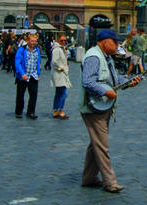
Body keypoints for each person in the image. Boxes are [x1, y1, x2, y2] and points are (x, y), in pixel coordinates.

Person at [79, 29, 140, 193]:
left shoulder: (106, 57)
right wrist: (105, 92)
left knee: (96, 143)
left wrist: (128, 82)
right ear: (104, 42)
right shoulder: (94, 56)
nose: (116, 46)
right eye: (114, 43)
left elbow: (113, 80)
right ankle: (110, 182)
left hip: (102, 106)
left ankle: (89, 178)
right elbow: (88, 82)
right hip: (94, 107)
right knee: (102, 145)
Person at [14, 33, 42, 119]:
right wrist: (22, 74)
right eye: (32, 41)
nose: (34, 43)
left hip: (33, 75)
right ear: (28, 41)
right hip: (23, 76)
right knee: (20, 95)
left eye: (35, 41)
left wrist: (38, 73)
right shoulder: (22, 50)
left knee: (33, 95)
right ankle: (19, 111)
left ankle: (31, 112)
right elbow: (17, 63)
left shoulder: (37, 50)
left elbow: (38, 62)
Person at [51, 34, 71, 119]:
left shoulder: (62, 49)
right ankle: (60, 110)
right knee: (63, 93)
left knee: (59, 93)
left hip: (61, 73)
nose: (63, 42)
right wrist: (62, 68)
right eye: (61, 40)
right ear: (58, 40)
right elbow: (54, 61)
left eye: (64, 40)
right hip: (59, 74)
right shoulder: (57, 49)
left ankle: (56, 111)